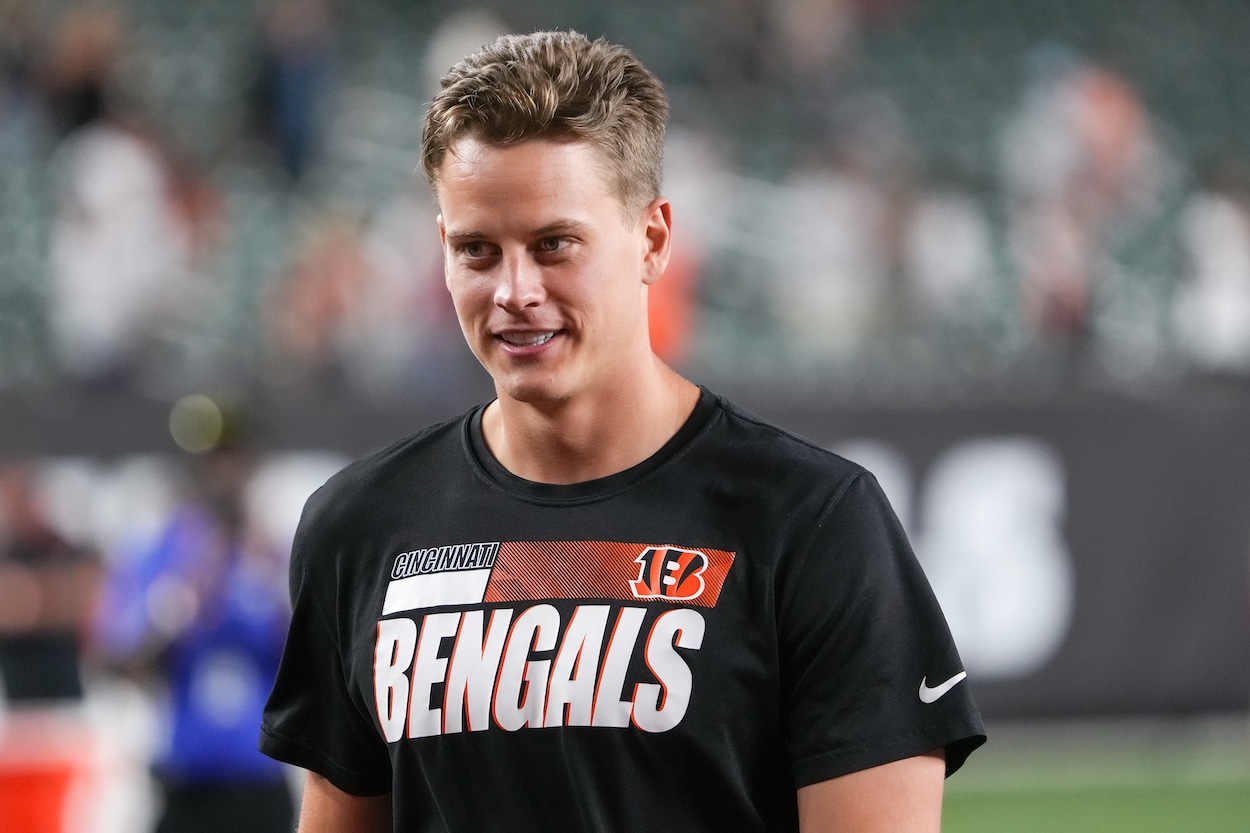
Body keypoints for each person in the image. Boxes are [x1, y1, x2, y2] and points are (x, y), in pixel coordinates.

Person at [259, 30, 985, 833]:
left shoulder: (813, 521)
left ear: (653, 239)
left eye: (554, 244)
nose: (514, 290)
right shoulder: (358, 526)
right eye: (477, 250)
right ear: (441, 251)